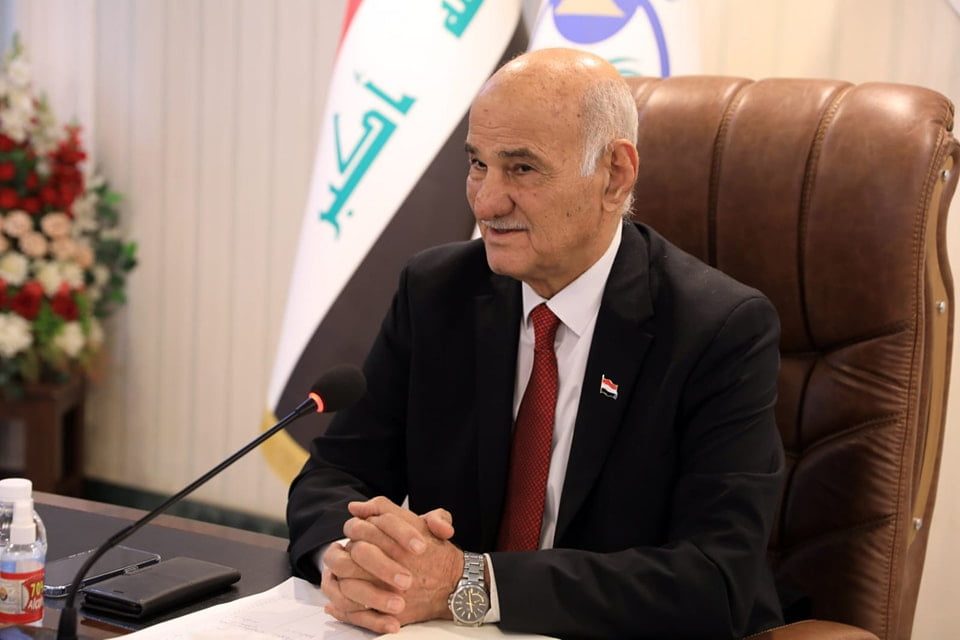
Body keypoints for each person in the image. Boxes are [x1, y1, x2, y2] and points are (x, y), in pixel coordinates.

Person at [287, 48, 785, 639]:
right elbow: (334, 475)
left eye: (521, 169)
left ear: (614, 175)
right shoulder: (437, 292)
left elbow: (714, 579)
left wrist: (469, 583)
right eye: (478, 164)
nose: (486, 201)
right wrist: (353, 560)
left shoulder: (719, 330)